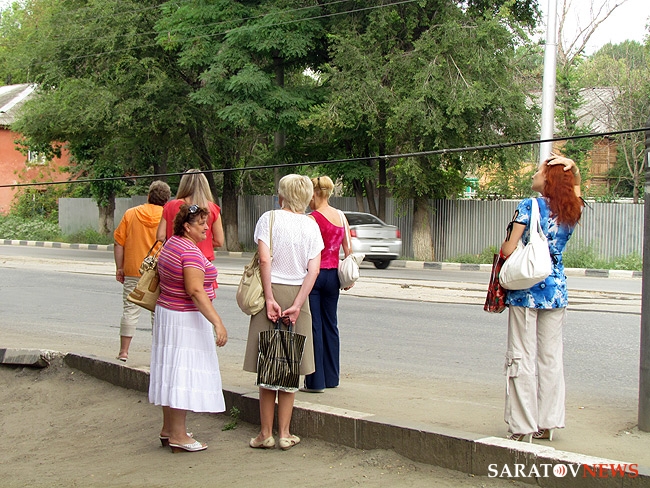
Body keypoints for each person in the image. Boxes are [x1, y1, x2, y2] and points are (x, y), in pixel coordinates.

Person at [500, 153, 584, 442]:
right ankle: (547, 423)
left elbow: (509, 249)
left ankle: (522, 425)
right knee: (550, 358)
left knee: (521, 356)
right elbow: (576, 188)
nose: (534, 175)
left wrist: (507, 245)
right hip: (556, 291)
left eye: (539, 171)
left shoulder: (529, 205)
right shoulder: (572, 208)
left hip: (526, 290)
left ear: (548, 179)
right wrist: (573, 168)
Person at [243, 174, 324, 450]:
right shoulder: (312, 225)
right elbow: (314, 270)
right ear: (307, 197)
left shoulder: (269, 219)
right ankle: (285, 434)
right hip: (297, 296)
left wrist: (269, 298)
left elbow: (265, 260)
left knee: (269, 366)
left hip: (271, 292)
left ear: (282, 196)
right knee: (290, 367)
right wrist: (298, 305)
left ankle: (265, 434)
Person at [149, 204, 228, 453]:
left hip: (168, 315)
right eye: (201, 224)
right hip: (184, 320)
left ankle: (168, 429)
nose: (206, 228)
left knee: (170, 371)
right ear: (186, 226)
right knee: (181, 375)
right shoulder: (190, 252)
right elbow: (195, 290)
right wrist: (217, 322)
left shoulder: (172, 244)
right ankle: (179, 436)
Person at [302, 176, 352, 393]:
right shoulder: (340, 216)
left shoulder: (311, 219)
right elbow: (348, 249)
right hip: (333, 277)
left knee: (314, 326)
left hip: (314, 276)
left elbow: (306, 250)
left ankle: (316, 382)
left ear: (314, 194)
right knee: (331, 325)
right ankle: (332, 378)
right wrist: (348, 277)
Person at [113, 180, 171, 362]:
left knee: (130, 310)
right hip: (159, 272)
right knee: (158, 313)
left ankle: (124, 352)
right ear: (167, 200)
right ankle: (159, 355)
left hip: (134, 270)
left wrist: (120, 268)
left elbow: (118, 243)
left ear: (148, 196)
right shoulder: (168, 217)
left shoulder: (130, 214)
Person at [156, 169, 224, 261]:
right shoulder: (212, 209)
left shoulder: (170, 206)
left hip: (174, 259)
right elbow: (219, 241)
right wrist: (203, 244)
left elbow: (160, 236)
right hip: (202, 261)